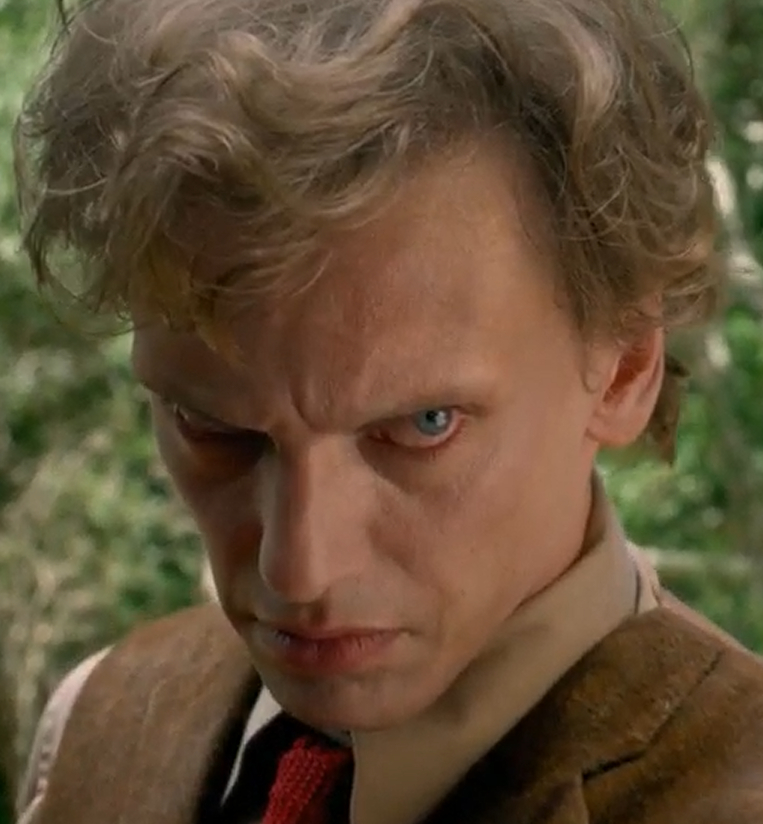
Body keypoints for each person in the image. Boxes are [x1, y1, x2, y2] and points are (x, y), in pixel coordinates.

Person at [12, 0, 763, 821]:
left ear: (622, 369)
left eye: (421, 426)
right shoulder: (98, 724)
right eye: (215, 429)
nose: (299, 570)